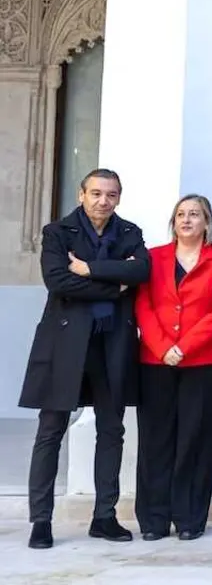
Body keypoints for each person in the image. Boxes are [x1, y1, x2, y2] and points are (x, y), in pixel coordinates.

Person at [21, 169, 151, 550]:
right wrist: (114, 286)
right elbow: (58, 281)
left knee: (112, 430)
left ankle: (104, 516)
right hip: (65, 344)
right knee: (50, 431)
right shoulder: (57, 233)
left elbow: (141, 270)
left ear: (119, 198)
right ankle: (40, 520)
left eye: (110, 195)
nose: (102, 201)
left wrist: (90, 269)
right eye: (95, 193)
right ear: (81, 195)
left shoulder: (129, 232)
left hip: (112, 343)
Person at [134, 195, 212, 542]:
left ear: (207, 222)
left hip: (205, 362)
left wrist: (184, 346)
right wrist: (164, 348)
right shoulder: (153, 258)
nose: (187, 220)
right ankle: (154, 519)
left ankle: (190, 517)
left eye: (195, 214)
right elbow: (143, 306)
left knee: (196, 439)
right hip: (155, 360)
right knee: (155, 440)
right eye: (181, 214)